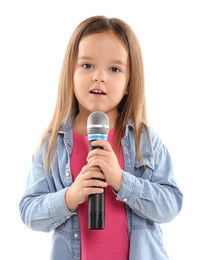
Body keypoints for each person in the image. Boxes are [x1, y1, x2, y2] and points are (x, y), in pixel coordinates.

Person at [19, 15, 183, 260]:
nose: (99, 76)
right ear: (71, 72)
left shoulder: (144, 140)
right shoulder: (52, 144)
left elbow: (170, 206)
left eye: (114, 69)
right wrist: (70, 196)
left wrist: (121, 180)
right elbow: (29, 211)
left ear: (129, 82)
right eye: (87, 65)